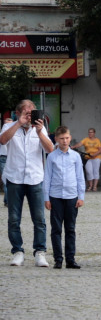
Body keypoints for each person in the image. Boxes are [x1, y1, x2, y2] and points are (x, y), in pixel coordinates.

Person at [2, 99, 55, 267]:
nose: (28, 117)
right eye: (25, 113)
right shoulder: (9, 127)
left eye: (31, 114)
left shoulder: (39, 129)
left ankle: (40, 252)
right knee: (13, 218)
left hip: (35, 178)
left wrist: (40, 132)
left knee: (39, 218)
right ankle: (17, 251)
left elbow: (50, 149)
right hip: (14, 177)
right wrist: (19, 123)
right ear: (17, 113)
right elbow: (3, 140)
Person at [43, 126, 85, 269]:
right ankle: (58, 259)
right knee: (56, 229)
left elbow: (80, 176)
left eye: (67, 138)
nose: (64, 141)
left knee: (70, 228)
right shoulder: (52, 156)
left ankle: (70, 259)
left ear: (70, 138)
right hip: (55, 196)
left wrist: (81, 196)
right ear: (56, 139)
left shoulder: (76, 156)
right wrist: (46, 198)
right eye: (61, 138)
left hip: (71, 195)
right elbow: (47, 177)